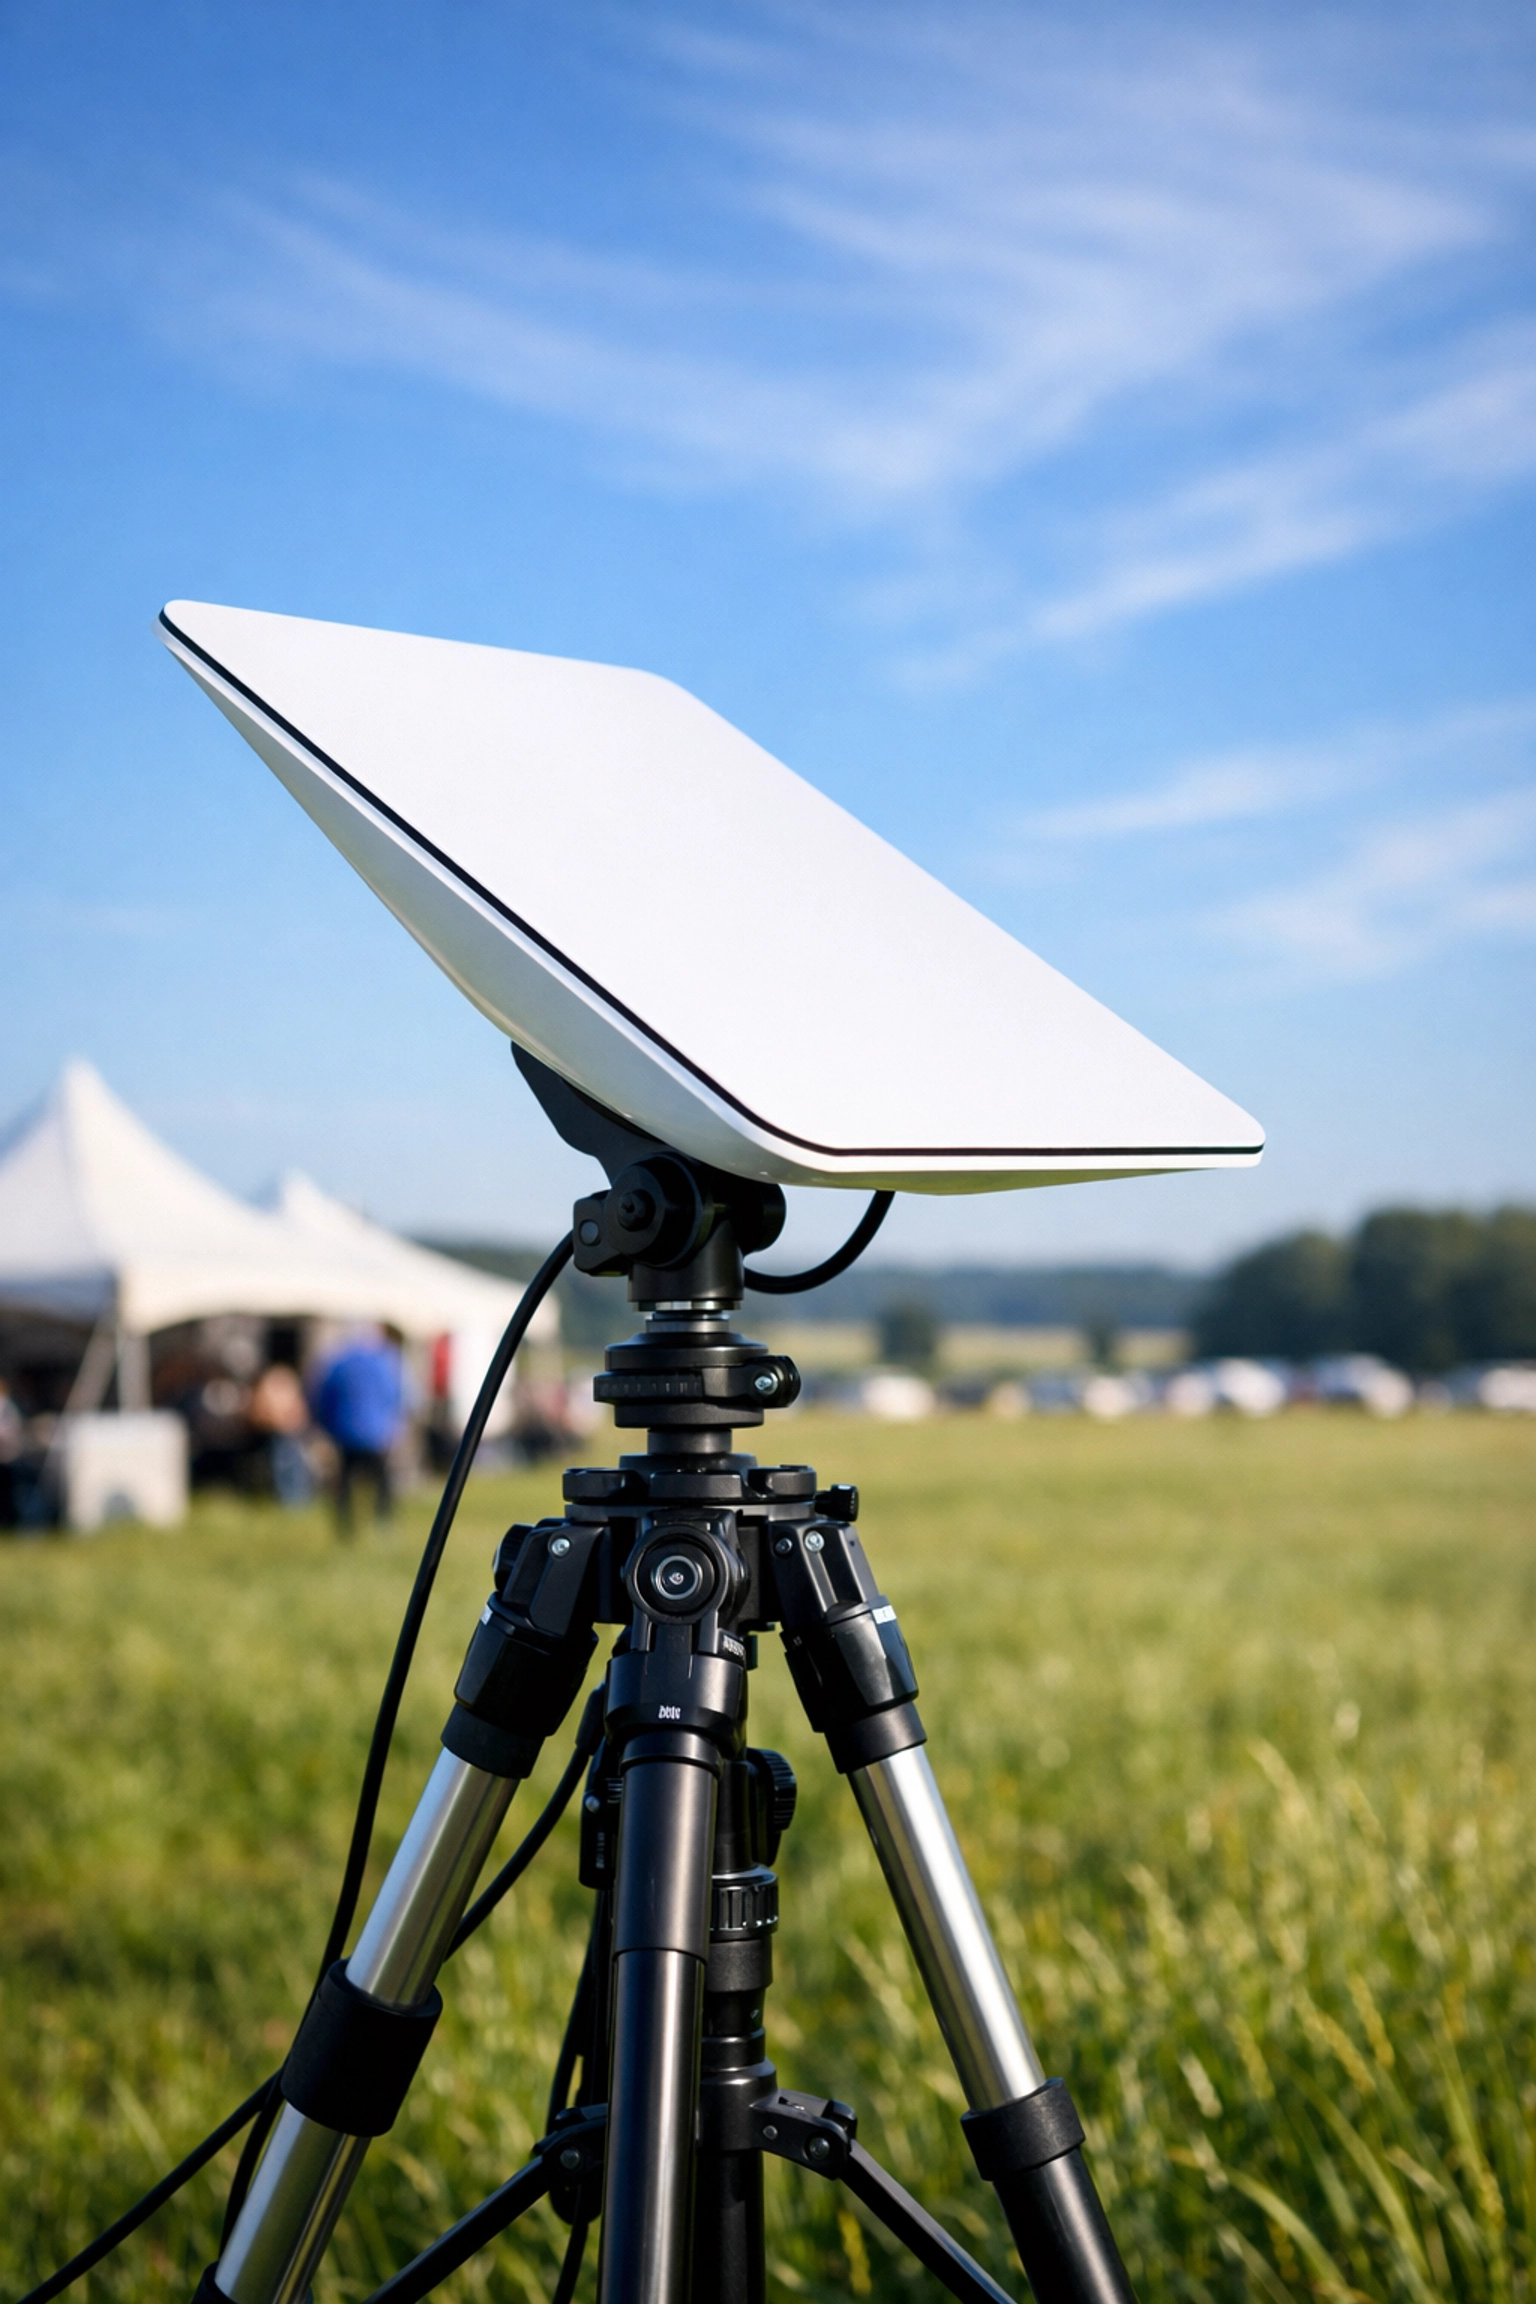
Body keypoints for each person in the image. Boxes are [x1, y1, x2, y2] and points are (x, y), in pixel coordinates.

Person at [311, 1327, 407, 1537]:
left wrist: (326, 1425)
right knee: (382, 1480)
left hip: (345, 1432)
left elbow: (323, 1395)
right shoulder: (384, 1362)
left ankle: (345, 1526)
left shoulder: (338, 1362)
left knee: (345, 1479)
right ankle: (383, 1523)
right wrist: (392, 1425)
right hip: (376, 1433)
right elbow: (396, 1395)